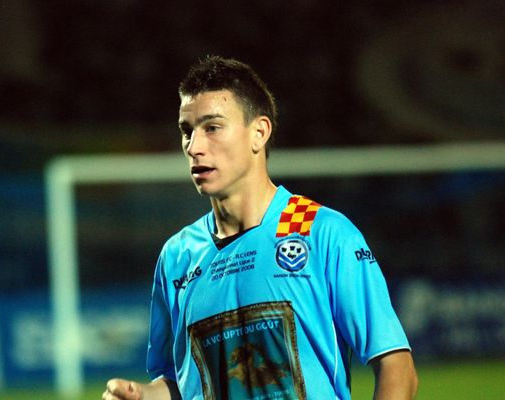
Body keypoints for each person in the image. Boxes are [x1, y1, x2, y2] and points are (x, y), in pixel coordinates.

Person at [103, 56, 418, 400]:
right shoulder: (177, 255)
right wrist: (142, 396)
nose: (194, 147)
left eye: (212, 127)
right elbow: (182, 380)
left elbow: (395, 365)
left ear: (259, 133)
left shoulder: (321, 232)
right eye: (186, 131)